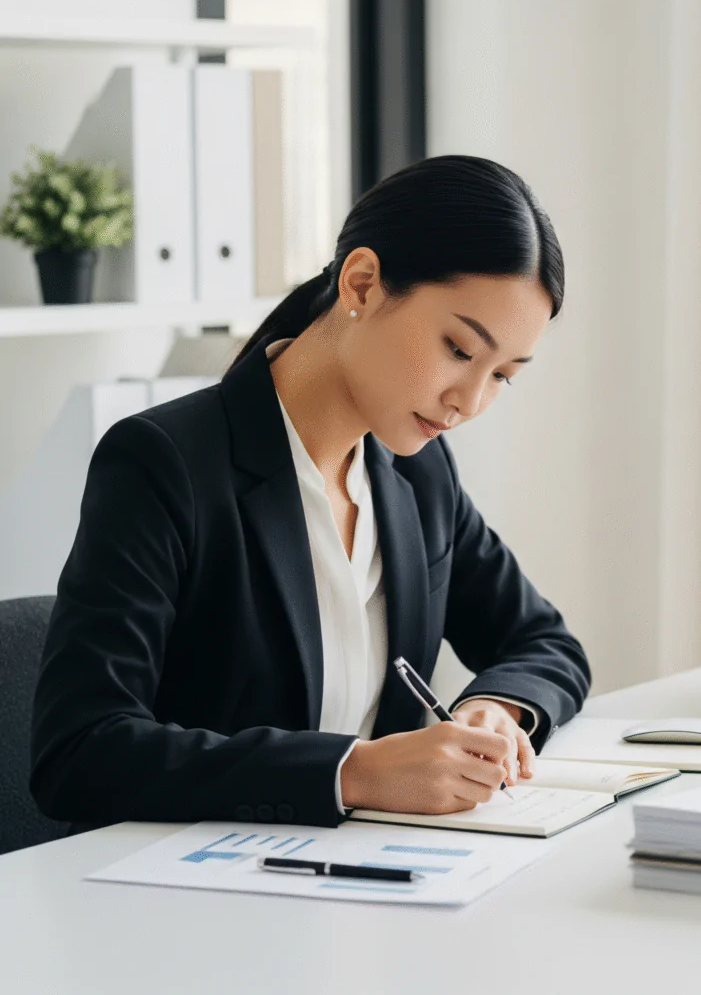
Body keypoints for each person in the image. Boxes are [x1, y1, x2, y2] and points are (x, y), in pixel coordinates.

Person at [29, 154, 591, 832]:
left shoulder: (418, 473)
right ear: (362, 283)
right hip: (193, 897)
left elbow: (543, 642)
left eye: (504, 374)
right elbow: (80, 753)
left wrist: (497, 708)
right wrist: (354, 771)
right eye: (458, 349)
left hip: (366, 886)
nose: (469, 402)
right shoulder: (165, 463)